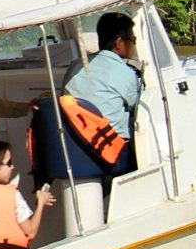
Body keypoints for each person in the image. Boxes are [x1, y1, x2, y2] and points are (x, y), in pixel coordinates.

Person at [57, 11, 143, 181]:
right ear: (119, 43)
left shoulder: (75, 67)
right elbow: (136, 107)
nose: (133, 45)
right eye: (132, 40)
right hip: (110, 152)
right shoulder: (125, 73)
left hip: (76, 146)